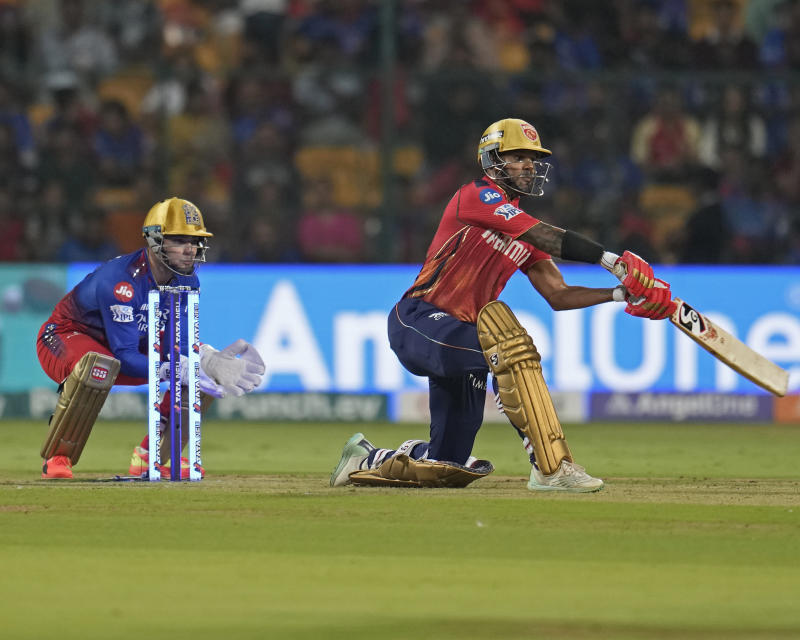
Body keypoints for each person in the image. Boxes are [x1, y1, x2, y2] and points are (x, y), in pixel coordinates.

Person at [331, 118, 676, 493]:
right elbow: (544, 234)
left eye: (533, 158)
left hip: (462, 342)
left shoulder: (527, 234)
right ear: (493, 159)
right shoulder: (477, 196)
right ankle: (550, 467)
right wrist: (614, 262)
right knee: (510, 351)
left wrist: (620, 294)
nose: (529, 165)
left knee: (447, 463)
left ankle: (366, 456)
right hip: (419, 320)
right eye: (518, 156)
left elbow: (558, 295)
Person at [36, 197, 266, 479]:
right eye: (180, 240)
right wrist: (173, 368)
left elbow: (174, 341)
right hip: (64, 338)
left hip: (126, 345)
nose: (190, 250)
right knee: (98, 366)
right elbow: (125, 357)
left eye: (194, 242)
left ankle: (151, 457)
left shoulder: (187, 280)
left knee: (201, 369)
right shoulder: (120, 281)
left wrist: (202, 358)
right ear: (155, 240)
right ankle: (58, 457)